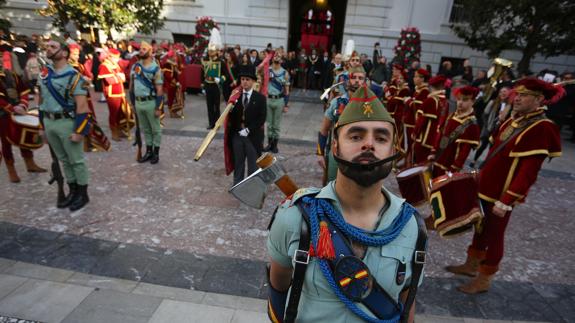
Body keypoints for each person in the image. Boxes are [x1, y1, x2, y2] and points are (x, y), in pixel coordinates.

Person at [267, 85, 424, 323]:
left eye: (381, 138)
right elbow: (278, 288)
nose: (369, 144)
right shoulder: (294, 217)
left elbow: (406, 303)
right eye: (356, 136)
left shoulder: (411, 226)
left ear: (393, 151)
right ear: (336, 146)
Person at [445, 78, 562, 294]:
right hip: (486, 188)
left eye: (524, 95)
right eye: (517, 94)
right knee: (481, 229)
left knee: (495, 235)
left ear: (539, 100)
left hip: (502, 195)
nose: (516, 98)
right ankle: (471, 265)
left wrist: (507, 200)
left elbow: (528, 172)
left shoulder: (542, 128)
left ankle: (484, 279)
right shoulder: (511, 121)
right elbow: (493, 155)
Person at [38, 37, 92, 211]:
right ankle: (73, 190)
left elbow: (82, 107)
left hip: (66, 123)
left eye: (53, 46)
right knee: (64, 160)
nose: (48, 49)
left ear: (64, 52)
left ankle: (83, 194)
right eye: (47, 46)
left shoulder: (75, 77)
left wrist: (79, 131)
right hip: (49, 121)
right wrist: (42, 127)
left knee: (76, 161)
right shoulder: (45, 74)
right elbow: (41, 101)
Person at [0, 52, 46, 183]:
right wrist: (11, 108)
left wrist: (23, 105)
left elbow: (24, 92)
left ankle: (30, 164)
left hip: (18, 110)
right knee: (6, 141)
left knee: (23, 135)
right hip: (2, 114)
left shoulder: (13, 75)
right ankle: (11, 170)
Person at [318, 65, 366, 184]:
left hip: (359, 153)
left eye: (360, 78)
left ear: (364, 81)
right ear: (348, 79)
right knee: (332, 185)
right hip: (337, 151)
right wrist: (320, 154)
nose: (357, 81)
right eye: (354, 77)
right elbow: (324, 130)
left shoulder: (370, 105)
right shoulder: (337, 102)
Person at [225, 65, 266, 185]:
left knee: (253, 163)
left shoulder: (260, 98)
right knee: (238, 162)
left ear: (253, 81)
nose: (245, 82)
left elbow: (261, 119)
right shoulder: (235, 96)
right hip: (237, 135)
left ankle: (251, 186)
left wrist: (248, 130)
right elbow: (229, 116)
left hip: (252, 136)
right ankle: (237, 184)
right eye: (242, 79)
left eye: (247, 80)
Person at [428, 86, 480, 178]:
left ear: (473, 101)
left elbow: (463, 153)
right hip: (438, 159)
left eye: (465, 100)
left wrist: (454, 169)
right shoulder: (452, 115)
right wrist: (433, 151)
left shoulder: (472, 124)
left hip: (449, 167)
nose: (460, 102)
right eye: (459, 99)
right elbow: (441, 135)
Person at [69, 43, 110, 152]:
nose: (77, 56)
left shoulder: (80, 66)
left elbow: (89, 76)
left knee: (89, 118)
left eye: (78, 54)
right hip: (74, 98)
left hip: (85, 96)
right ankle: (82, 143)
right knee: (78, 119)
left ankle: (90, 142)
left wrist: (87, 79)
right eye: (74, 54)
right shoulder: (67, 68)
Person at [129, 41, 164, 164]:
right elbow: (131, 86)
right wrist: (132, 104)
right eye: (140, 49)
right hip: (138, 103)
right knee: (146, 129)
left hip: (151, 102)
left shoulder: (155, 68)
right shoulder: (135, 67)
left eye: (144, 49)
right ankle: (148, 151)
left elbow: (159, 89)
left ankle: (156, 153)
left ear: (150, 52)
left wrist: (158, 107)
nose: (141, 51)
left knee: (155, 129)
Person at [98, 48, 134, 140]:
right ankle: (114, 132)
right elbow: (109, 81)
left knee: (121, 113)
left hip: (120, 92)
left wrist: (119, 77)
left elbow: (123, 77)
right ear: (109, 56)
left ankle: (120, 130)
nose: (117, 59)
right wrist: (119, 77)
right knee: (114, 113)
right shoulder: (104, 66)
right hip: (112, 93)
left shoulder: (115, 65)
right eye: (115, 57)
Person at [411, 75, 448, 164]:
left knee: (418, 165)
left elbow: (421, 121)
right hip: (435, 139)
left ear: (431, 87)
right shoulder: (445, 101)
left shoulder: (430, 100)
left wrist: (414, 134)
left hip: (424, 140)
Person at [403, 68, 430, 167]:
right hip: (409, 121)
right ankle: (407, 163)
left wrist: (408, 101)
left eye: (416, 76)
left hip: (414, 122)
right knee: (409, 145)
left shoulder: (424, 91)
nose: (414, 78)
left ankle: (409, 165)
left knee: (411, 145)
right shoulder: (418, 90)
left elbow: (418, 106)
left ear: (422, 79)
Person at [264, 51, 290, 154]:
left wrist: (286, 104)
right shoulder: (268, 70)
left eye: (279, 57)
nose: (277, 58)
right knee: (269, 124)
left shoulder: (285, 73)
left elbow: (287, 90)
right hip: (269, 99)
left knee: (276, 124)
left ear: (282, 60)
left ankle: (275, 145)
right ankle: (269, 144)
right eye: (275, 56)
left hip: (279, 100)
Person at [384, 64, 411, 157]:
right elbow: (390, 98)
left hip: (399, 116)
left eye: (401, 79)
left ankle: (394, 155)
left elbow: (393, 100)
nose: (398, 80)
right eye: (398, 78)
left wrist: (391, 97)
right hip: (394, 114)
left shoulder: (405, 90)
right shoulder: (399, 88)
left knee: (397, 136)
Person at [202, 43, 227, 129]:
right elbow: (202, 72)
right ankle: (211, 123)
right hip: (208, 85)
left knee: (216, 106)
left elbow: (225, 75)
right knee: (209, 105)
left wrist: (219, 80)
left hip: (216, 86)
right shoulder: (205, 60)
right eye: (209, 51)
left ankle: (217, 123)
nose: (210, 52)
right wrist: (202, 82)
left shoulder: (221, 62)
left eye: (212, 51)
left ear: (216, 51)